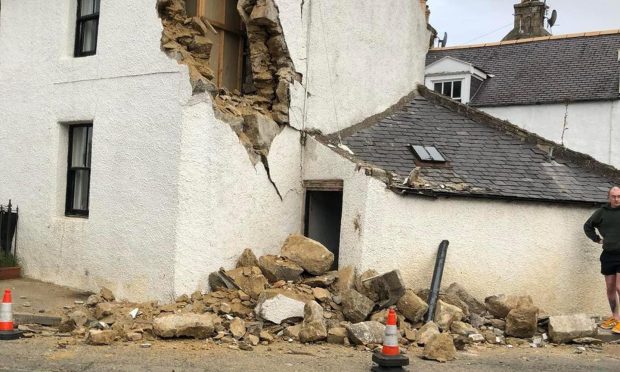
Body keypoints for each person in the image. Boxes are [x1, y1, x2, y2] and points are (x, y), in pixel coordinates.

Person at [584, 186, 620, 333]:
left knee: (619, 287)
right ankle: (615, 317)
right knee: (610, 288)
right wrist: (597, 240)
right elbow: (588, 226)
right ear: (609, 197)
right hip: (608, 255)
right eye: (614, 196)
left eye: (619, 196)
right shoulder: (602, 212)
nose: (617, 199)